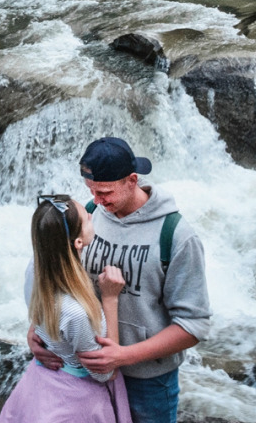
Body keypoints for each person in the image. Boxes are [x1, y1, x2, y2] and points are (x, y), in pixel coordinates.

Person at [28, 137, 212, 423]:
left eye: (105, 192)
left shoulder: (176, 235)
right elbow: (57, 272)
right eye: (91, 191)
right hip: (86, 375)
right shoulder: (87, 216)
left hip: (148, 382)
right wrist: (39, 329)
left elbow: (194, 324)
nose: (98, 201)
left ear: (132, 180)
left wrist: (124, 356)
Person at [0, 194, 131, 423]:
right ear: (78, 242)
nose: (92, 215)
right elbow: (105, 372)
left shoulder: (35, 269)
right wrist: (110, 299)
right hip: (75, 403)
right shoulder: (75, 311)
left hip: (39, 387)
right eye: (87, 218)